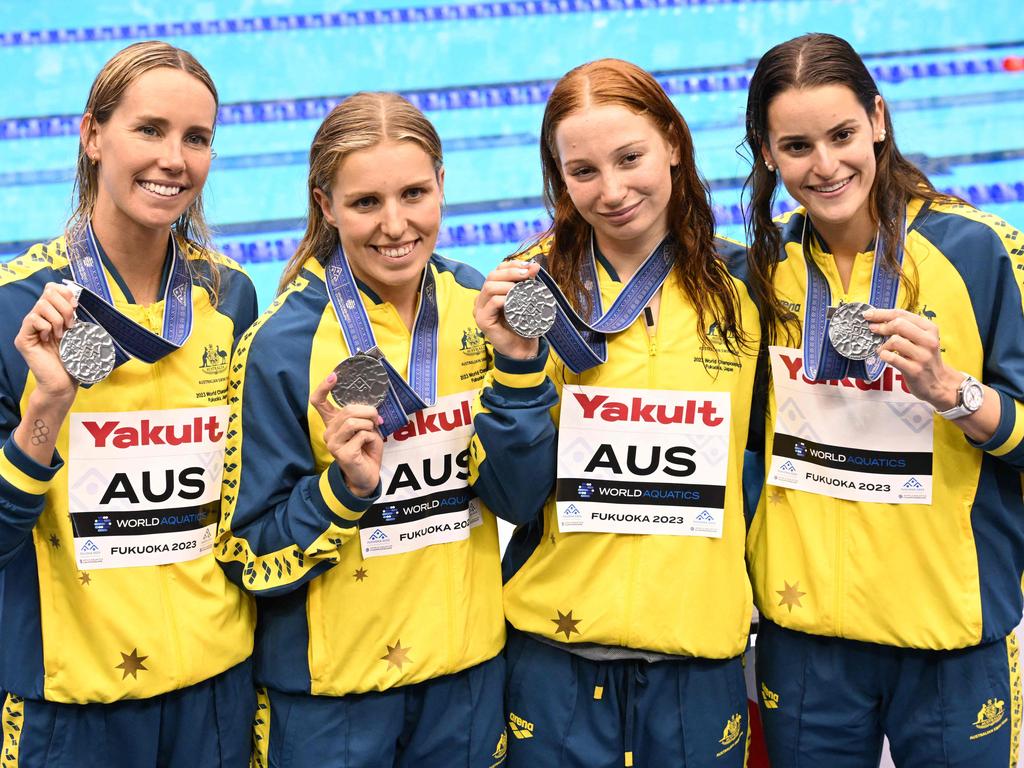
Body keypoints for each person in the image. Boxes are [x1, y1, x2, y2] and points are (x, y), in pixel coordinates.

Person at [742, 32, 1024, 767]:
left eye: (841, 135)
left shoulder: (980, 251)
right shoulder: (757, 271)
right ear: (767, 154)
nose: (826, 166)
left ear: (879, 118)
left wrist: (951, 391)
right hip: (805, 641)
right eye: (797, 146)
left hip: (946, 636)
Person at [470, 58, 761, 768]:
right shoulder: (531, 294)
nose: (612, 190)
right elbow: (511, 496)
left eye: (629, 158)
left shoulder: (747, 288)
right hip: (555, 657)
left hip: (699, 658)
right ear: (559, 178)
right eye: (583, 171)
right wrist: (515, 366)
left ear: (671, 141)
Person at [215, 92, 507, 768]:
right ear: (326, 206)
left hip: (465, 682)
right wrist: (341, 491)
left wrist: (520, 376)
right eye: (366, 203)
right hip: (330, 700)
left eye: (414, 193)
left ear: (442, 185)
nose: (395, 225)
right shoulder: (282, 345)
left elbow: (520, 499)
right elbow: (248, 557)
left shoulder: (480, 311)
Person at [0, 41, 258, 767]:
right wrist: (46, 407)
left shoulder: (230, 296)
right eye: (150, 129)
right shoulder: (15, 306)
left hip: (216, 687)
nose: (174, 159)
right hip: (71, 698)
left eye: (196, 138)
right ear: (92, 135)